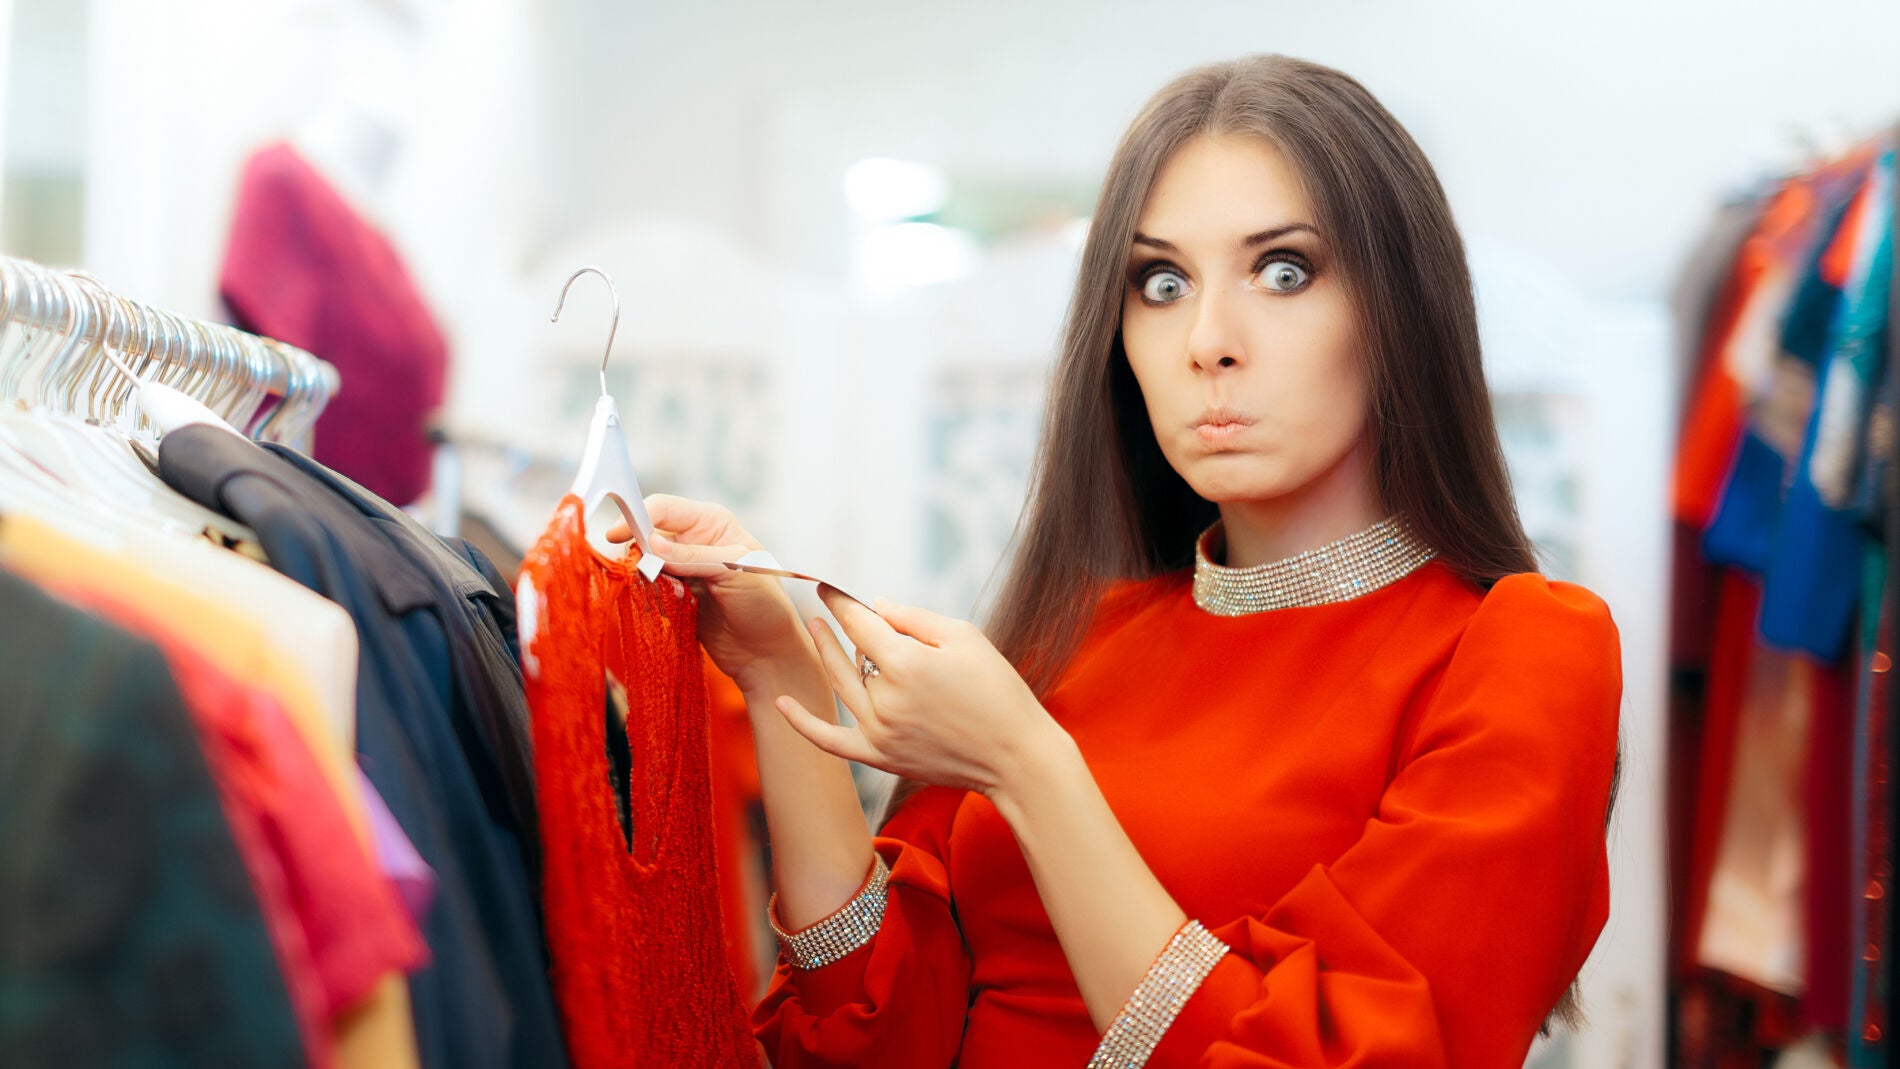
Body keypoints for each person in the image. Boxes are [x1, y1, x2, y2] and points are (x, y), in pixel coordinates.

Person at [620, 53, 1622, 1068]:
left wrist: (1028, 767)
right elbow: (875, 1044)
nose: (1207, 339)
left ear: (1400, 306)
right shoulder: (1071, 634)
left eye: (1283, 271)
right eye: (1160, 281)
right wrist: (780, 670)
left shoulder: (1518, 652)